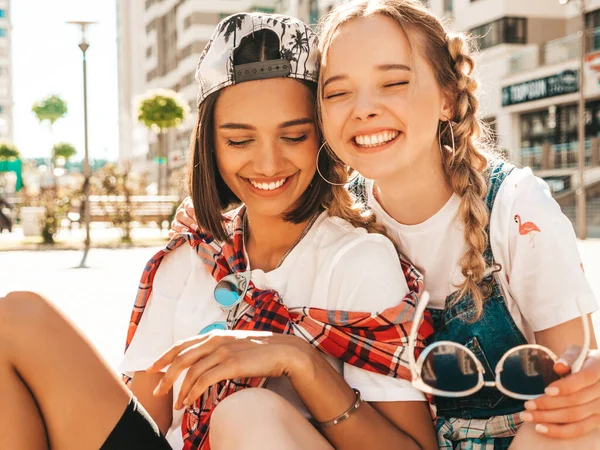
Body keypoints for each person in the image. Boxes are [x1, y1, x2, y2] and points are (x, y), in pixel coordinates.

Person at [0, 13, 438, 450]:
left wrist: (298, 359)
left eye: (293, 136)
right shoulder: (193, 252)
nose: (267, 164)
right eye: (239, 141)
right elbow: (145, 420)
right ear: (209, 144)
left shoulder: (358, 260)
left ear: (323, 137)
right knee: (17, 317)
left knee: (247, 412)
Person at [171, 1, 600, 448]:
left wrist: (589, 379)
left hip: (525, 437)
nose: (364, 109)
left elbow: (572, 373)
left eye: (393, 83)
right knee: (246, 414)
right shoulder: (333, 216)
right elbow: (257, 213)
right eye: (337, 93)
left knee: (576, 418)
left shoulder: (514, 207)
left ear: (448, 97)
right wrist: (204, 218)